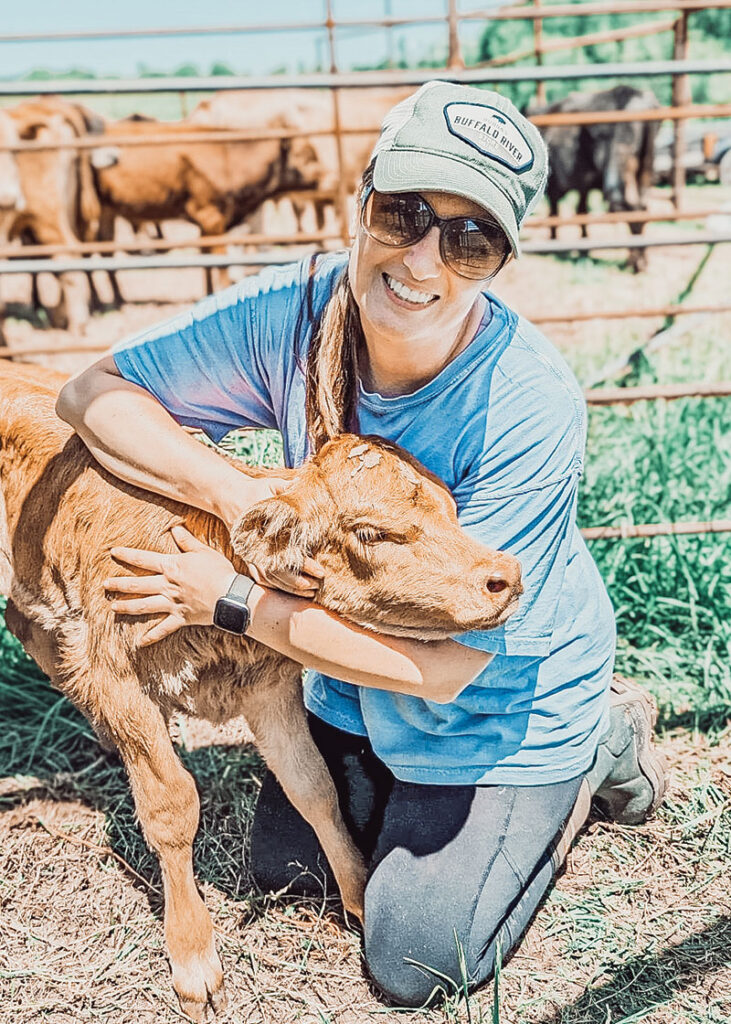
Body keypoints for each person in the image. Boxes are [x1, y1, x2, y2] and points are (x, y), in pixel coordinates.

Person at [57, 81, 667, 1007]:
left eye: (469, 240)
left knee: (415, 957)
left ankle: (598, 741)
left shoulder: (526, 403)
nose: (422, 257)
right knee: (284, 866)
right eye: (404, 212)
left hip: (493, 704)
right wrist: (235, 493)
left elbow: (444, 669)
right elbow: (90, 394)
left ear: (500, 260)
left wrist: (231, 599)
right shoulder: (296, 314)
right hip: (346, 678)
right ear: (363, 197)